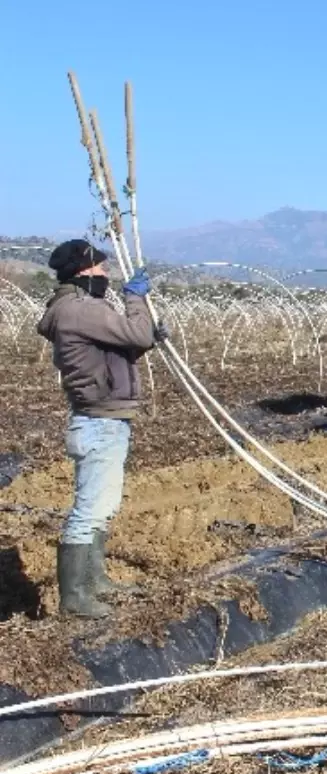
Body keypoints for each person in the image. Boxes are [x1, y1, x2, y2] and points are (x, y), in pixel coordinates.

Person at [35, 240, 166, 618]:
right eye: (101, 268)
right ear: (82, 271)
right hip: (98, 422)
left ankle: (96, 581)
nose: (106, 274)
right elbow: (135, 333)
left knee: (103, 506)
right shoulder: (80, 310)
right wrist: (135, 300)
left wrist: (149, 339)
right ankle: (75, 598)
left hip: (103, 420)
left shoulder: (79, 309)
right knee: (90, 510)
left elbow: (119, 349)